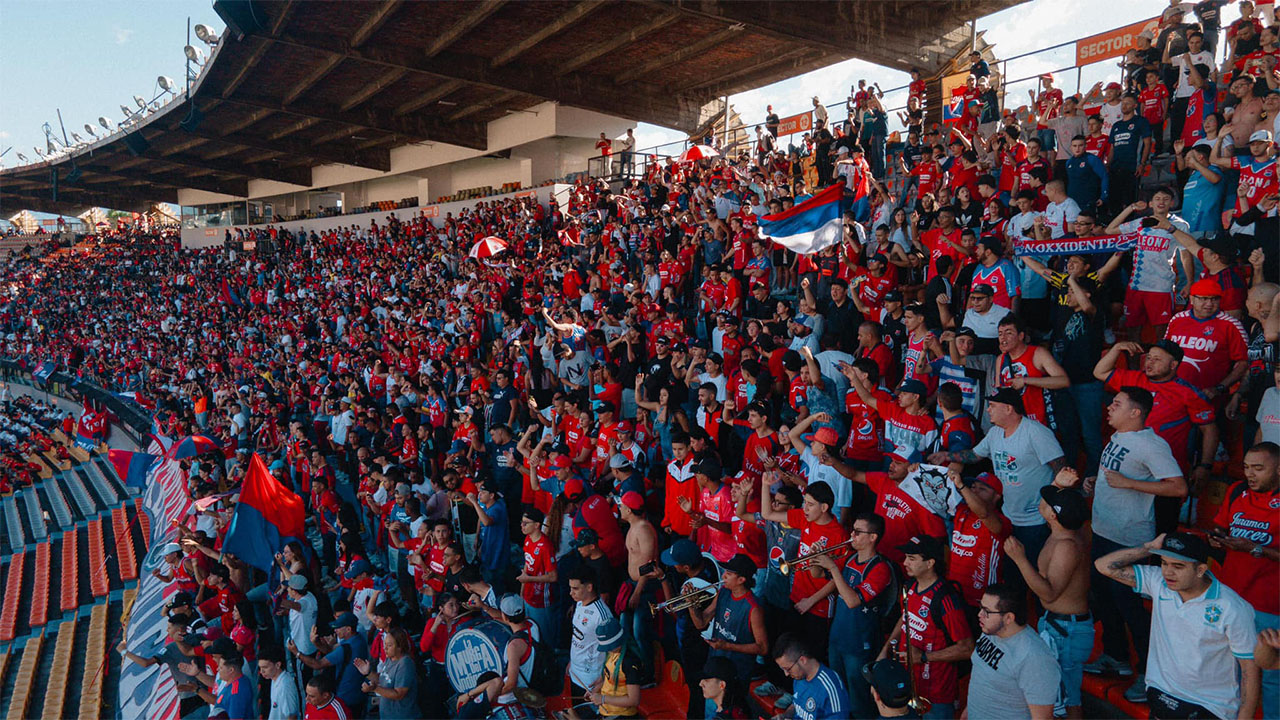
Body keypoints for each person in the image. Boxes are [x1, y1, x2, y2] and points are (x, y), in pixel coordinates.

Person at [1096, 532, 1261, 720]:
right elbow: (1104, 566)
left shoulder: (1233, 607)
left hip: (1209, 706)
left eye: (1178, 566)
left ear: (1200, 570)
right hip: (1162, 694)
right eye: (1164, 563)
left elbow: (1250, 669)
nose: (1168, 572)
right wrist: (1148, 548)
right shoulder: (1158, 582)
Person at [1006, 483, 1093, 719]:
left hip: (1067, 629)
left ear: (1054, 515)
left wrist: (1020, 559)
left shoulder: (1067, 546)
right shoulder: (1065, 533)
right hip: (1060, 624)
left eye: (1048, 504)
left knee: (1068, 697)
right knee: (1058, 693)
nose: (1041, 505)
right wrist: (1059, 484)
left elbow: (1049, 593)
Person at [1210, 441, 1280, 719]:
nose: (1250, 474)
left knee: (1272, 675)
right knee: (1231, 669)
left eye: (1259, 469)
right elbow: (1221, 524)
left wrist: (1254, 549)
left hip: (1269, 603)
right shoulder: (1236, 491)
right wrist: (1217, 537)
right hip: (1232, 597)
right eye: (1247, 467)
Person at [878, 535, 974, 719]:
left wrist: (923, 657)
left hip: (936, 695)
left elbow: (967, 649)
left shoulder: (946, 599)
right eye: (906, 557)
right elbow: (905, 618)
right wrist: (885, 650)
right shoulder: (910, 587)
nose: (905, 562)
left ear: (930, 563)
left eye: (912, 558)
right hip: (908, 685)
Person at [810, 513, 894, 719]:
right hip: (838, 639)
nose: (851, 535)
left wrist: (831, 566)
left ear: (872, 537)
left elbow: (852, 600)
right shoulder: (850, 559)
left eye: (857, 532)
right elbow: (817, 575)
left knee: (858, 702)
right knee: (838, 694)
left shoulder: (880, 568)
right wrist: (815, 559)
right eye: (852, 530)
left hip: (858, 645)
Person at [967, 582, 1061, 720]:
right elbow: (982, 675)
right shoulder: (990, 631)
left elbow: (1042, 718)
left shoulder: (1034, 658)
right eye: (981, 607)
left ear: (1009, 618)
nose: (979, 614)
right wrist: (969, 709)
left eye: (986, 611)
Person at [693, 553, 768, 687]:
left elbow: (762, 648)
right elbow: (701, 623)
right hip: (715, 664)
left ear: (741, 580)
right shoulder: (723, 592)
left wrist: (727, 646)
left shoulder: (753, 608)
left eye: (729, 573)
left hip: (736, 673)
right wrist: (691, 605)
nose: (723, 576)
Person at [772, 633, 850, 720]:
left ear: (802, 660)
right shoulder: (799, 677)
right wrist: (784, 716)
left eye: (788, 669)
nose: (786, 674)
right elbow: (796, 704)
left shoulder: (830, 688)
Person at [569, 566, 614, 700]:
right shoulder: (579, 604)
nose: (571, 593)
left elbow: (614, 652)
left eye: (575, 588)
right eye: (570, 588)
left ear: (589, 587)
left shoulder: (603, 616)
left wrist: (602, 680)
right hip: (575, 673)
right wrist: (571, 661)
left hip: (590, 681)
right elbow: (578, 637)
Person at [585, 617, 643, 718]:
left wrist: (603, 699)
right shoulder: (612, 653)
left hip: (622, 714)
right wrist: (595, 690)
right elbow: (610, 679)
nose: (608, 650)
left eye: (610, 646)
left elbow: (634, 700)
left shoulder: (629, 662)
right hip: (606, 709)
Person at [355, 627, 417, 719]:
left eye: (389, 645)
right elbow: (383, 678)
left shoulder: (405, 663)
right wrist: (367, 673)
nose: (385, 648)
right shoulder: (389, 659)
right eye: (385, 644)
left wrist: (375, 689)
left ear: (399, 646)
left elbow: (399, 694)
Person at [259, 645, 300, 720]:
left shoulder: (285, 686)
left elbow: (292, 717)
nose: (261, 672)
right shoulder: (274, 678)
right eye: (260, 668)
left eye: (265, 667)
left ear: (278, 665)